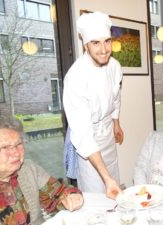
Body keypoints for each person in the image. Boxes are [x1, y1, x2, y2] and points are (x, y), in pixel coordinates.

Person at [63, 11, 124, 199]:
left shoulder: (114, 65)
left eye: (107, 41)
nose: (104, 49)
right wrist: (107, 178)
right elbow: (82, 135)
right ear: (85, 44)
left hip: (107, 133)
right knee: (96, 195)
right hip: (88, 141)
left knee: (114, 189)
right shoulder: (76, 77)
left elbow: (115, 97)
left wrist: (116, 123)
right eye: (96, 43)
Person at [0, 116, 83, 225]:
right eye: (5, 147)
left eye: (19, 144)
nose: (16, 153)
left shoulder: (28, 169)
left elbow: (58, 193)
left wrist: (71, 197)